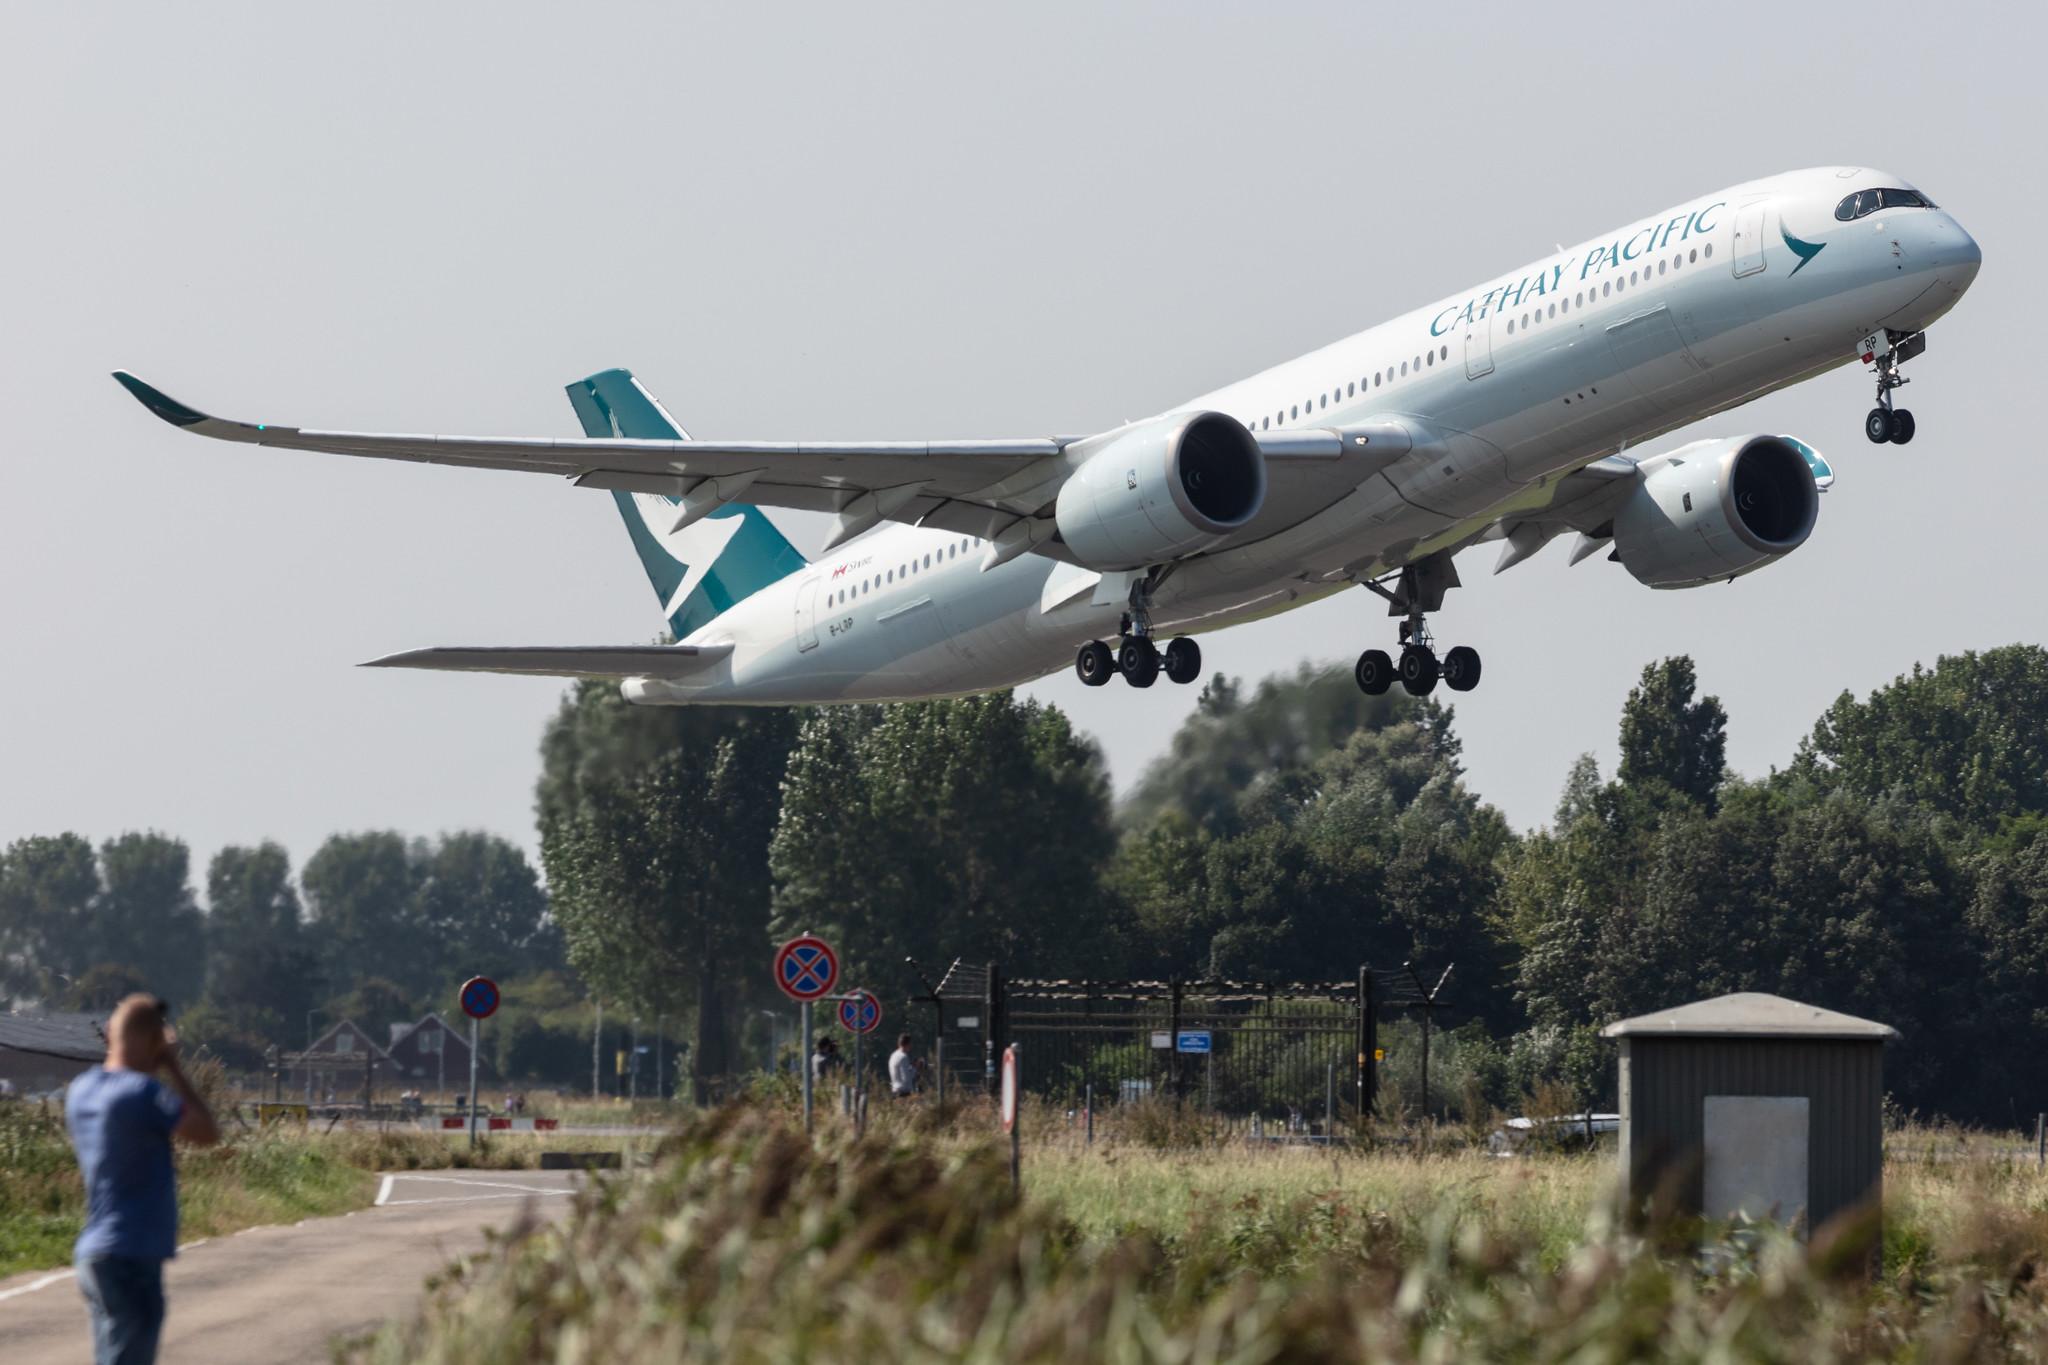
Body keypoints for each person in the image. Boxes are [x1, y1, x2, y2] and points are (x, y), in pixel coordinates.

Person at [64, 993, 221, 1365]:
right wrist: (173, 1065)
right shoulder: (142, 1093)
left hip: (94, 1254)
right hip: (132, 1253)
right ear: (154, 1042)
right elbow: (207, 1132)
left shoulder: (81, 1090)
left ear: (109, 1033)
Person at [888, 1033, 918, 1098]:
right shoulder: (903, 1057)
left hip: (894, 1091)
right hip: (903, 1094)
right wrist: (915, 1067)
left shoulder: (893, 1055)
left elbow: (899, 1073)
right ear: (907, 1044)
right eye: (910, 1044)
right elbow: (906, 1079)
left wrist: (911, 1067)